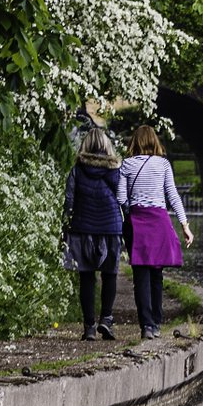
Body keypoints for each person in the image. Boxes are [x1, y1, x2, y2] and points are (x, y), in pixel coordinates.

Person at [118, 125, 194, 339]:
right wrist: (185, 225)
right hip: (159, 220)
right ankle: (157, 323)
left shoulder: (127, 165)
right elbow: (173, 195)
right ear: (154, 141)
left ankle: (146, 326)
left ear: (135, 141)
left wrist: (132, 206)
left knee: (140, 275)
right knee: (157, 275)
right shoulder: (163, 164)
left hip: (137, 220)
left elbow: (121, 198)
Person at [63, 127, 124, 341]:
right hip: (110, 228)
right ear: (107, 146)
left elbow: (69, 199)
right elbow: (122, 199)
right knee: (110, 274)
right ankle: (106, 319)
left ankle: (89, 326)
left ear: (85, 145)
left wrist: (65, 226)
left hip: (83, 228)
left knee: (86, 277)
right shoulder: (115, 170)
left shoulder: (77, 170)